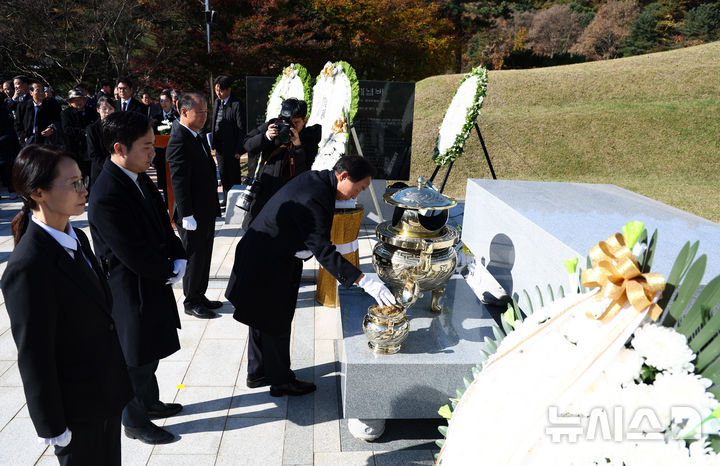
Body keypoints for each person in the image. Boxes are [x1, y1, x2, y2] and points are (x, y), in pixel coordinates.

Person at [1, 145, 133, 465]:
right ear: (38, 193)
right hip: (76, 410)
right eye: (72, 183)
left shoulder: (77, 238)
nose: (83, 189)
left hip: (105, 392)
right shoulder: (28, 266)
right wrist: (51, 425)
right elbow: (34, 355)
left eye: (81, 180)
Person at [225, 155, 394, 396]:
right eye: (359, 188)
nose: (356, 195)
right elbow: (323, 251)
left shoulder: (317, 181)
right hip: (267, 262)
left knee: (260, 317)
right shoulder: (316, 195)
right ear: (343, 176)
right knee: (275, 321)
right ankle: (281, 380)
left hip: (263, 253)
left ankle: (258, 371)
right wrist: (365, 282)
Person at [88, 111, 187, 445]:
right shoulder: (107, 193)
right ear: (120, 148)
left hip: (151, 278)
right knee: (133, 358)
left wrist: (179, 254)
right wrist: (167, 268)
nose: (152, 153)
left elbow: (162, 221)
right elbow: (130, 251)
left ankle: (149, 402)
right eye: (146, 146)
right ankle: (133, 420)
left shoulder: (138, 175)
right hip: (129, 287)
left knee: (150, 351)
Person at [166, 92, 222, 319]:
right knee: (194, 255)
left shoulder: (196, 135)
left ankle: (200, 294)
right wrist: (186, 213)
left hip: (205, 208)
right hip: (192, 212)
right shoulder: (179, 139)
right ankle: (191, 301)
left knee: (204, 254)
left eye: (206, 112)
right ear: (184, 111)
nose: (204, 117)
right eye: (199, 113)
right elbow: (178, 181)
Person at [241, 97, 321, 230]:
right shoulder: (274, 125)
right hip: (265, 190)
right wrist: (266, 136)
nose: (291, 126)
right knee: (254, 230)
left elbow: (305, 170)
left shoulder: (309, 137)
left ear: (304, 121)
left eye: (296, 122)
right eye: (289, 122)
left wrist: (298, 146)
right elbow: (247, 145)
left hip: (290, 194)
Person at [210, 75, 246, 206]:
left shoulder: (237, 104)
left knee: (234, 174)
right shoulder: (216, 102)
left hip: (232, 147)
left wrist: (239, 149)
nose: (218, 93)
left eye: (221, 90)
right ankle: (226, 199)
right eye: (216, 90)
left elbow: (241, 128)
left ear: (229, 89)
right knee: (223, 173)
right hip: (219, 146)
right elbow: (214, 122)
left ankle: (235, 201)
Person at [61, 89, 98, 178]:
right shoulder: (66, 113)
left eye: (80, 99)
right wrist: (83, 132)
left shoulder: (92, 111)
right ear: (70, 102)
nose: (78, 102)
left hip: (90, 147)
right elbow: (66, 129)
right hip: (75, 148)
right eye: (75, 100)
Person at [150, 89, 178, 203]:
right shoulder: (156, 118)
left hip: (174, 153)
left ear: (171, 101)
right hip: (161, 154)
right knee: (163, 181)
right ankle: (167, 202)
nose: (163, 103)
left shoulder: (176, 115)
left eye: (166, 100)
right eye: (161, 101)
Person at [15, 82, 62, 146]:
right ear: (31, 93)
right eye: (38, 90)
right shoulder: (22, 106)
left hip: (46, 140)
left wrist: (52, 128)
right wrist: (23, 136)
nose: (41, 92)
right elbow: (17, 124)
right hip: (28, 140)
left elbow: (58, 120)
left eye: (43, 90)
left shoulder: (51, 105)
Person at [86, 96, 114, 189]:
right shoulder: (92, 129)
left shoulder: (119, 128)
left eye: (110, 109)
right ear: (98, 109)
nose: (107, 112)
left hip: (117, 170)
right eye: (104, 109)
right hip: (99, 170)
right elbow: (93, 153)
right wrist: (107, 166)